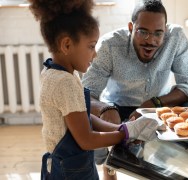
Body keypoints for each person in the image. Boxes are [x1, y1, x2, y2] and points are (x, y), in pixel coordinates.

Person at [28, 0, 158, 179]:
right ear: (66, 45)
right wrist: (125, 134)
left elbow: (81, 116)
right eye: (91, 46)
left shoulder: (53, 72)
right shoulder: (65, 82)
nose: (95, 54)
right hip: (71, 172)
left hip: (67, 164)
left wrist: (121, 128)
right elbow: (86, 139)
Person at [82, 0, 188, 179]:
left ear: (165, 31)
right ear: (131, 27)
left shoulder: (176, 38)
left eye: (157, 33)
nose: (150, 40)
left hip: (157, 108)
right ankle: (110, 163)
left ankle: (161, 163)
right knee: (85, 117)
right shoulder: (109, 45)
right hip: (117, 108)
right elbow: (85, 93)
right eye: (142, 31)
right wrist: (106, 109)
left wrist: (154, 103)